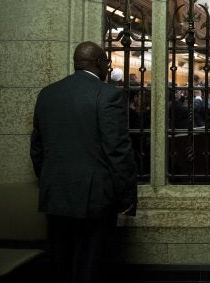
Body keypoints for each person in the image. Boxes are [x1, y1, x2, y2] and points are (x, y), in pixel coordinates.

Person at [30, 41, 137, 283]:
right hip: (94, 198)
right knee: (90, 265)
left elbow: (37, 148)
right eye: (106, 63)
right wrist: (126, 196)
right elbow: (117, 151)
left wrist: (49, 179)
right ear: (100, 64)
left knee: (62, 264)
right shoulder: (108, 94)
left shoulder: (48, 94)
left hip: (56, 193)